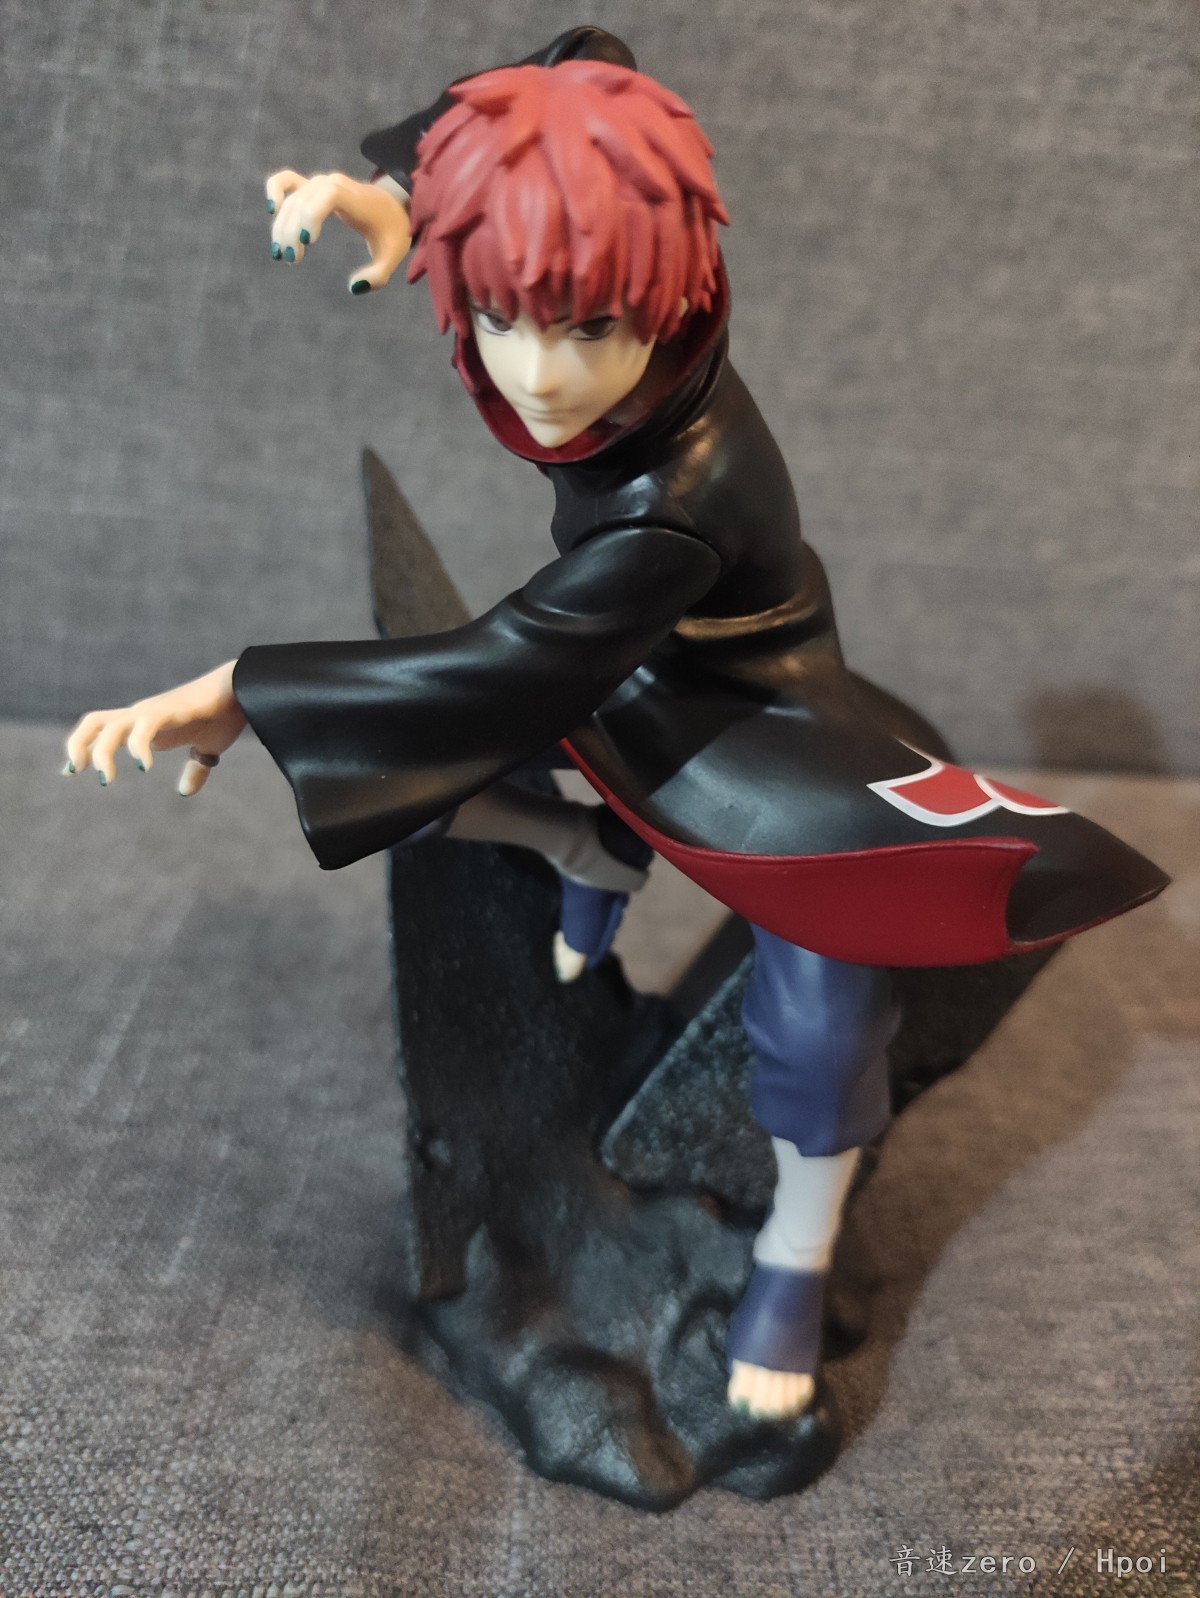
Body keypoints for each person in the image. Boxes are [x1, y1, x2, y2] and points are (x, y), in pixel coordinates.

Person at [65, 28, 1167, 1422]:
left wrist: (247, 689)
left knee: (827, 1000)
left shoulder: (677, 500)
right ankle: (584, 850)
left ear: (671, 294)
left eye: (588, 327)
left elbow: (507, 666)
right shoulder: (601, 325)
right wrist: (411, 204)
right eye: (500, 315)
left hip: (758, 724)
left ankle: (794, 1254)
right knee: (423, 791)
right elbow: (579, 66)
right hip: (609, 671)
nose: (537, 374)